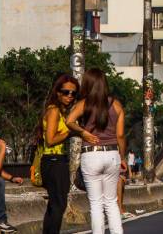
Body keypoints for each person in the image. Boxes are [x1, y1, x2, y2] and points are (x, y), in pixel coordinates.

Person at [65, 68, 127, 234]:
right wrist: (123, 157)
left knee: (96, 204)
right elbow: (120, 135)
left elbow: (69, 121)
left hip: (91, 155)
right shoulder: (116, 104)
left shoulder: (83, 104)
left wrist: (83, 132)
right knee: (111, 202)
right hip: (112, 154)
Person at [36, 73, 79, 234]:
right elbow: (51, 140)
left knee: (55, 204)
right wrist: (70, 132)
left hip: (57, 160)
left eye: (73, 93)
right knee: (58, 204)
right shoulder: (53, 111)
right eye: (66, 92)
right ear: (57, 92)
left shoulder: (61, 111)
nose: (70, 96)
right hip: (53, 160)